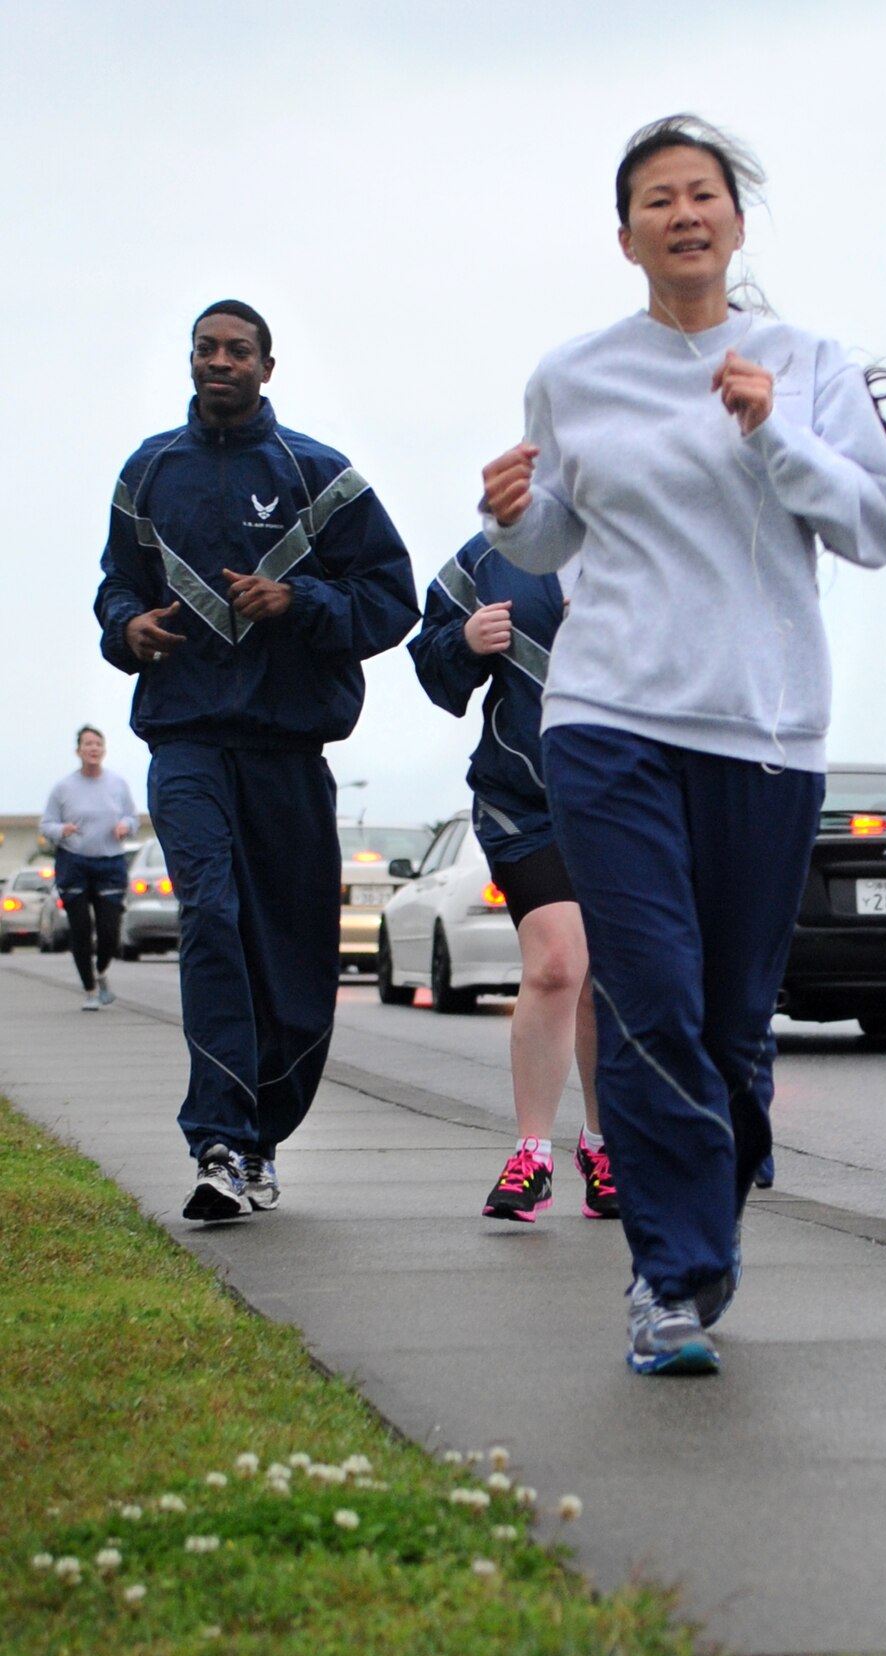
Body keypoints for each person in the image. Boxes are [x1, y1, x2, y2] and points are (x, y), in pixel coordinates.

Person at [482, 115, 886, 1375]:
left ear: (735, 220)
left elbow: (875, 527)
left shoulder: (805, 361)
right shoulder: (572, 376)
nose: (682, 214)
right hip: (608, 719)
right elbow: (557, 543)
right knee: (653, 999)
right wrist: (514, 518)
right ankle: (669, 1280)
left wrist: (772, 429)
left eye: (702, 194)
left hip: (763, 731)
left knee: (729, 1019)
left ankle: (707, 1191)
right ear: (624, 237)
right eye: (656, 200)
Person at [95, 300, 417, 1223]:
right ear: (191, 361)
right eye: (206, 348)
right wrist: (129, 626)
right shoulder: (149, 471)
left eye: (238, 350)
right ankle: (221, 1143)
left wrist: (299, 602)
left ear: (267, 368)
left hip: (287, 748)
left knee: (295, 960)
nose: (219, 362)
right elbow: (115, 584)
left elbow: (389, 602)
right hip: (187, 739)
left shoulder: (321, 477)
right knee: (211, 917)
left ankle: (261, 1135)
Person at [410, 535, 618, 1223]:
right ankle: (532, 1153)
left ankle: (603, 1145)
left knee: (603, 982)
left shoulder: (652, 528)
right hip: (523, 800)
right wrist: (466, 641)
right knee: (559, 962)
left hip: (626, 798)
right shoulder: (496, 550)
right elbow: (429, 649)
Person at [39, 726, 139, 1010]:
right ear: (78, 751)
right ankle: (91, 990)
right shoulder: (64, 788)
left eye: (98, 743)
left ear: (103, 750)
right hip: (74, 861)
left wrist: (125, 826)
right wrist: (63, 830)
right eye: (87, 744)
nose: (93, 748)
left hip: (109, 862)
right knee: (80, 929)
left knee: (109, 930)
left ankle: (102, 969)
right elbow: (46, 825)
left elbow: (133, 818)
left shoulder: (117, 784)